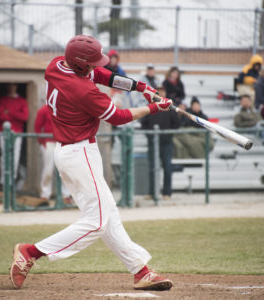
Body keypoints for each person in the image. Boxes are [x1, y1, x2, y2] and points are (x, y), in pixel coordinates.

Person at [10, 35, 173, 291]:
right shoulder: (80, 90)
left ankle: (141, 271)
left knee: (107, 214)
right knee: (97, 221)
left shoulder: (57, 64)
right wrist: (154, 108)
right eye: (91, 62)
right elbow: (118, 117)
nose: (96, 66)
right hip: (79, 153)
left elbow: (103, 75)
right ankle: (31, 252)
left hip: (73, 151)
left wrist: (141, 87)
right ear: (80, 64)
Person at [141, 87, 180, 200]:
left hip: (166, 143)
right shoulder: (150, 106)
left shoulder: (170, 107)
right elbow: (143, 124)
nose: (161, 94)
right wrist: (150, 136)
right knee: (152, 168)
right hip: (153, 143)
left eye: (163, 91)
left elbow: (177, 123)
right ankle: (152, 193)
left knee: (167, 168)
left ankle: (167, 193)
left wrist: (169, 134)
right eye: (159, 92)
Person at [34, 104, 72, 205]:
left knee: (65, 169)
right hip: (49, 142)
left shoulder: (65, 108)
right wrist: (43, 143)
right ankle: (45, 194)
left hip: (63, 142)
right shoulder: (44, 109)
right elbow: (37, 127)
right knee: (48, 169)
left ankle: (66, 195)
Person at [0, 83, 29, 186]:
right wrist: (16, 113)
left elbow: (24, 117)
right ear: (7, 87)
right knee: (5, 157)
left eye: (13, 86)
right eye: (10, 86)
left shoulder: (22, 101)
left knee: (15, 157)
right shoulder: (2, 100)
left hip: (17, 133)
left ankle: (11, 182)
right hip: (4, 132)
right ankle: (3, 182)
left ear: (16, 87)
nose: (11, 88)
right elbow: (1, 116)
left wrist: (10, 112)